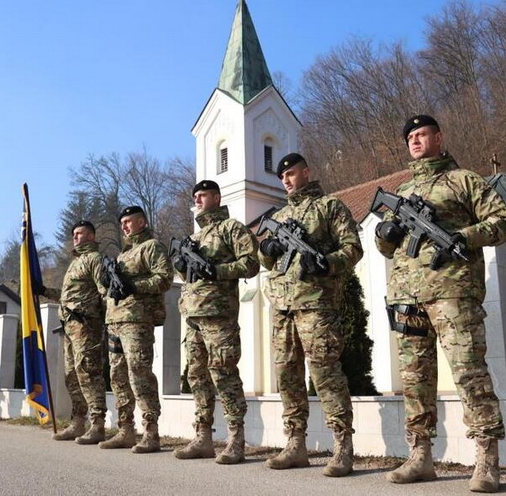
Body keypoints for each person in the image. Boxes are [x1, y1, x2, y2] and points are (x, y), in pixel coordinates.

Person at [375, 115, 506, 493]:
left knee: (470, 374)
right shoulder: (401, 190)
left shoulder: (464, 180)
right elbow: (383, 246)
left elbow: (502, 221)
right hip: (408, 297)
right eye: (410, 137)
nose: (416, 141)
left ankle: (487, 459)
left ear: (438, 138)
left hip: (453, 293)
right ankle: (420, 456)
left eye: (422, 134)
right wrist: (385, 232)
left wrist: (462, 236)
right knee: (416, 381)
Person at [259, 153, 362, 477]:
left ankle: (343, 447)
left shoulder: (329, 207)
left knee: (326, 375)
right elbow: (266, 261)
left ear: (306, 172)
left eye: (291, 173)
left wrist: (327, 263)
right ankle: (295, 444)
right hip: (282, 308)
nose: (287, 180)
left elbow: (353, 247)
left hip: (317, 304)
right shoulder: (280, 214)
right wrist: (268, 251)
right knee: (287, 376)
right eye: (282, 177)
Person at [172, 180, 259, 464]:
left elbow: (250, 263)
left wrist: (217, 269)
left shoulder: (231, 228)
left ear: (217, 197)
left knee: (224, 374)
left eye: (203, 195)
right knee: (196, 376)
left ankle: (236, 439)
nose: (197, 199)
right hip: (193, 316)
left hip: (219, 315)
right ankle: (203, 437)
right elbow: (190, 278)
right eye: (194, 195)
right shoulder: (194, 238)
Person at [99, 205, 173, 453]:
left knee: (139, 373)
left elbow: (164, 278)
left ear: (141, 222)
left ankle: (151, 432)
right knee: (118, 377)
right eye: (122, 223)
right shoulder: (121, 256)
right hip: (115, 322)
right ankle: (125, 430)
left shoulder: (151, 247)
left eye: (129, 221)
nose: (124, 227)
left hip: (137, 321)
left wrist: (134, 286)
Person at [53, 220, 108, 444]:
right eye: (74, 233)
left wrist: (107, 323)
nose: (75, 237)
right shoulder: (75, 262)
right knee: (71, 376)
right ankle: (77, 422)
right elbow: (70, 296)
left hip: (86, 326)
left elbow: (104, 292)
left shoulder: (94, 260)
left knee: (88, 373)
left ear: (92, 237)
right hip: (69, 326)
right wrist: (44, 290)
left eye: (80, 233)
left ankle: (97, 425)